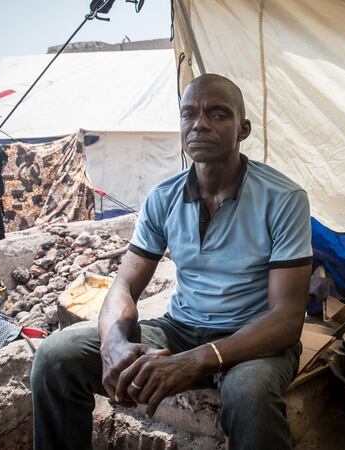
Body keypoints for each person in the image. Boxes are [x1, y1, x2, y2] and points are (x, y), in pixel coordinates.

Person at [31, 74, 313, 450]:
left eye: (218, 114)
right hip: (178, 330)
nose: (200, 123)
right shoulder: (163, 198)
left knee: (250, 397)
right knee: (55, 358)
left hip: (251, 338)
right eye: (189, 114)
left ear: (243, 129)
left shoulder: (283, 198)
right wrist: (112, 343)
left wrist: (197, 361)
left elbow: (287, 319)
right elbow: (125, 286)